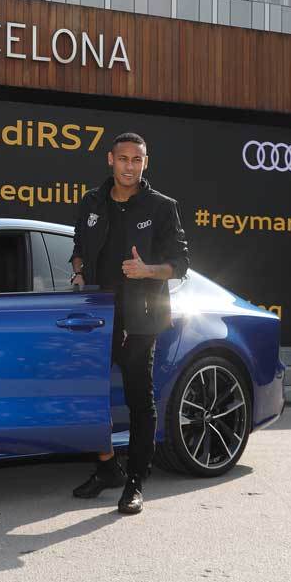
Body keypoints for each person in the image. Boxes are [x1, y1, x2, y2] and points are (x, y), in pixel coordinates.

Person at [68, 132, 189, 514]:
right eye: (123, 159)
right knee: (87, 395)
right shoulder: (91, 202)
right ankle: (106, 467)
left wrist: (146, 271)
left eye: (137, 159)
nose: (130, 166)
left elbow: (180, 264)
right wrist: (78, 270)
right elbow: (78, 249)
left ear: (145, 162)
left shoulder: (162, 207)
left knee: (140, 401)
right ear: (110, 159)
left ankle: (135, 482)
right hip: (96, 316)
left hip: (141, 316)